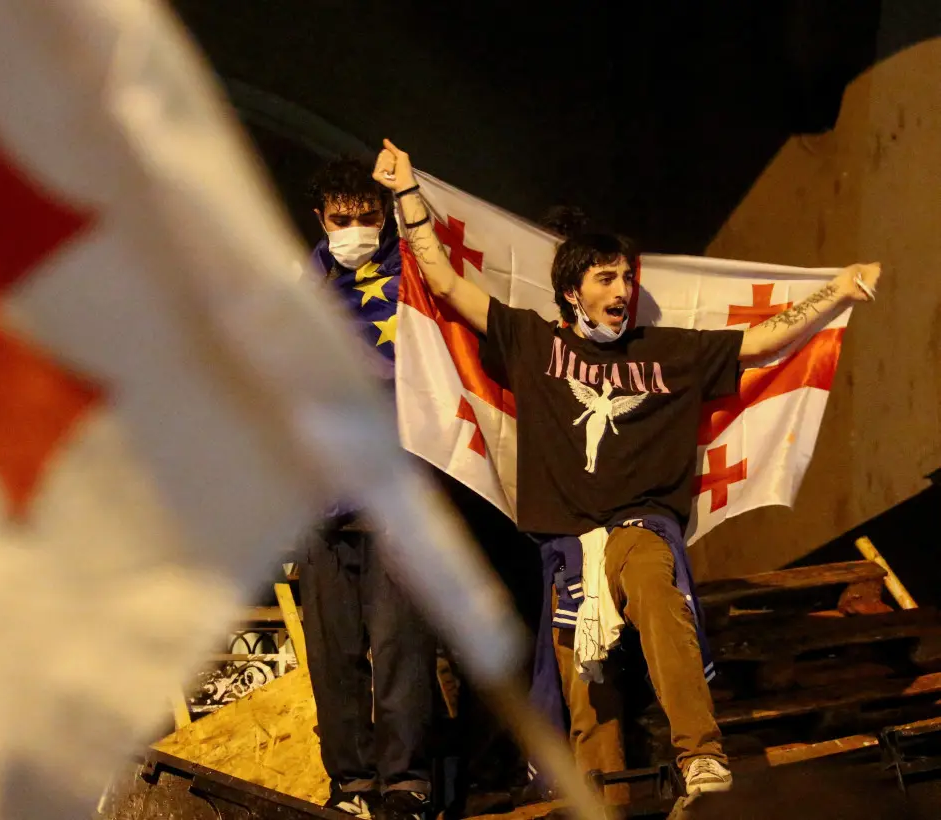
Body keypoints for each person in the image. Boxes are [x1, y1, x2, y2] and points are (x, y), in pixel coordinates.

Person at [371, 139, 881, 798]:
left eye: (625, 278)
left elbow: (761, 341)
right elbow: (441, 281)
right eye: (605, 279)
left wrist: (838, 288)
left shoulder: (667, 352)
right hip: (566, 551)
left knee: (655, 590)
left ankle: (701, 756)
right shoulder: (532, 341)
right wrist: (408, 192)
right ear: (571, 291)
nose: (622, 290)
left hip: (639, 527)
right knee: (591, 700)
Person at [298, 157, 438, 820]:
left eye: (366, 217)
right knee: (334, 659)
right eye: (341, 219)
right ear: (320, 219)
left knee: (400, 650)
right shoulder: (300, 289)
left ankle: (406, 784)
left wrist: (407, 190)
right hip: (319, 499)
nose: (354, 230)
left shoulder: (414, 276)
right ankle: (350, 785)